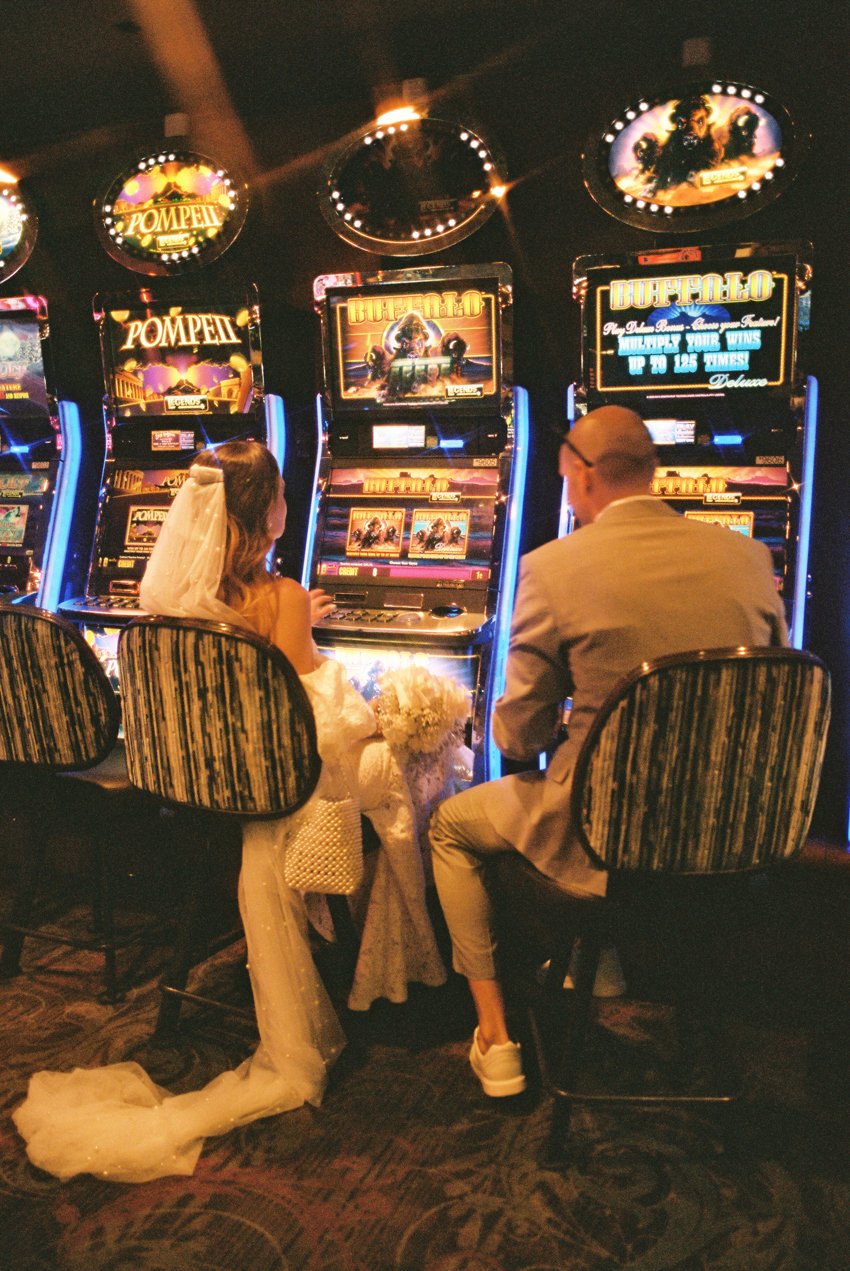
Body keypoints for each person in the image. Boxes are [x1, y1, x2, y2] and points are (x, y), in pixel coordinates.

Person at [13, 441, 445, 1182]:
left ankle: (378, 953)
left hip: (195, 786)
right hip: (275, 783)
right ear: (268, 510)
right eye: (281, 492)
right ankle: (398, 965)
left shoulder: (165, 598)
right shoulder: (279, 597)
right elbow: (315, 719)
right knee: (417, 767)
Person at [430, 405, 788, 1098]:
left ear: (582, 475)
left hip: (607, 838)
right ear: (653, 470)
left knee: (450, 827)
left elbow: (517, 736)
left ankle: (497, 1041)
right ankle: (609, 976)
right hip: (731, 831)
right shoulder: (750, 556)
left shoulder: (553, 569)